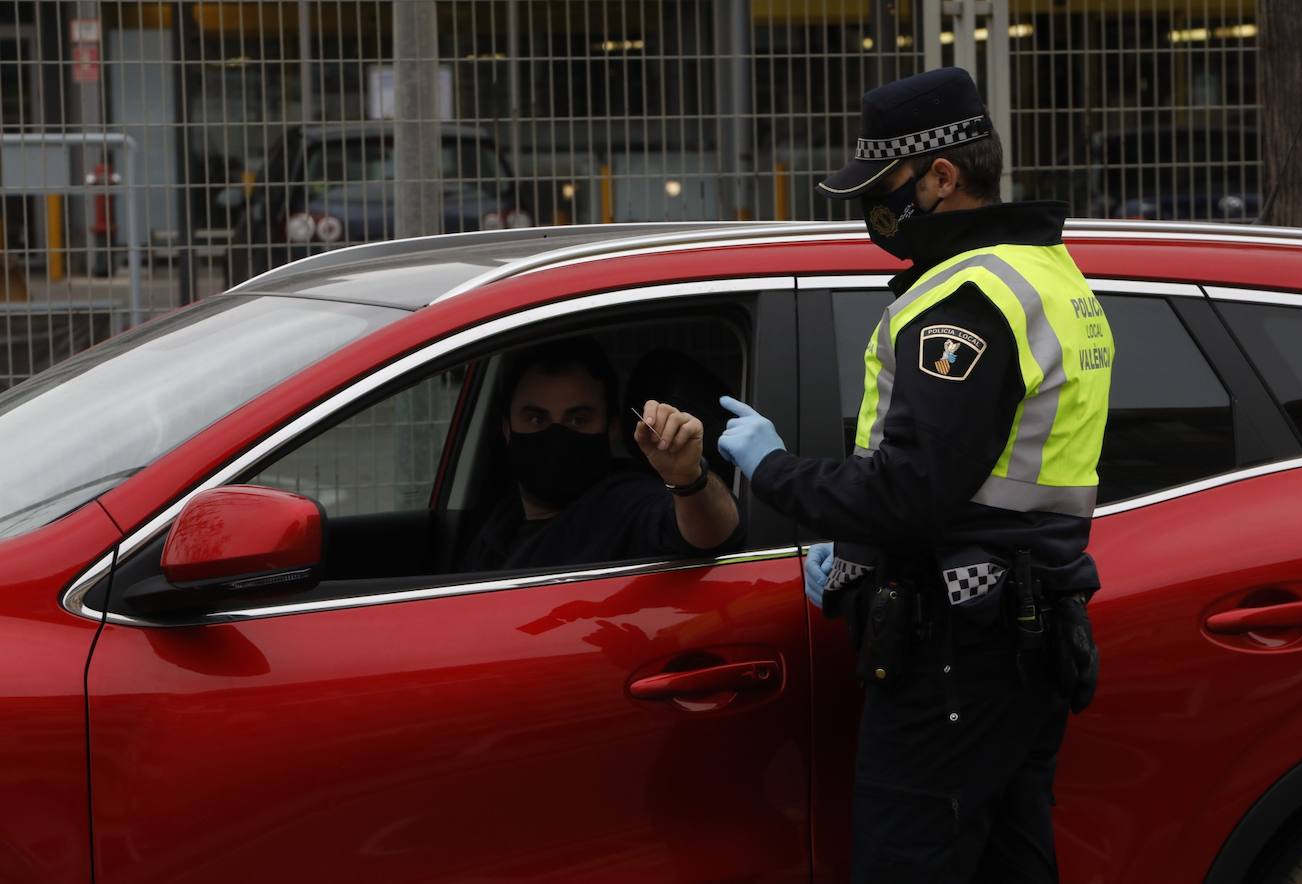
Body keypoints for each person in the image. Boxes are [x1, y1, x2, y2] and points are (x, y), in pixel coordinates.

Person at [717, 66, 1113, 882]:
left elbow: (911, 491)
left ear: (942, 175)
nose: (874, 210)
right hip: (1017, 639)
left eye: (883, 187)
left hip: (955, 658)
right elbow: (982, 483)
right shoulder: (1045, 273)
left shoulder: (966, 301)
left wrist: (773, 469)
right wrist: (860, 553)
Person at [461, 336, 742, 572]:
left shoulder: (627, 503)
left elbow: (712, 535)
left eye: (578, 420)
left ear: (611, 429)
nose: (556, 436)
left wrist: (689, 480)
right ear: (507, 429)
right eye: (536, 419)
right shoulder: (502, 518)